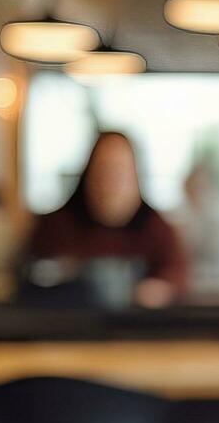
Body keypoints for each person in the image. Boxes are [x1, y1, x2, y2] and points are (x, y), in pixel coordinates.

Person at [25, 131, 187, 308]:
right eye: (103, 171)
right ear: (88, 174)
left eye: (120, 173)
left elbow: (177, 278)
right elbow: (30, 278)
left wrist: (158, 291)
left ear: (136, 177)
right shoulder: (56, 228)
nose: (111, 183)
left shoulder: (157, 229)